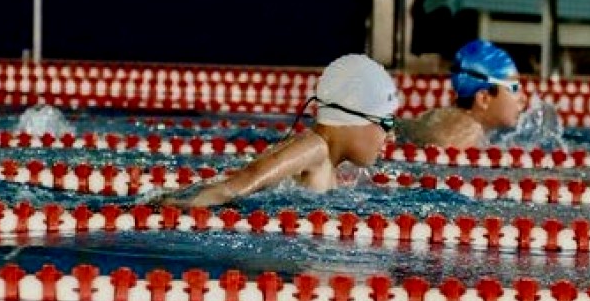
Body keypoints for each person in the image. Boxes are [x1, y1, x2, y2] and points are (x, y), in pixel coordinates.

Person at [151, 54, 397, 207]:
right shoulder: (313, 149)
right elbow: (233, 187)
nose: (392, 136)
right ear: (352, 118)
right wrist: (165, 209)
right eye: (386, 123)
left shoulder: (329, 162)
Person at [397, 40, 526, 149]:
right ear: (484, 99)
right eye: (514, 88)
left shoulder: (457, 119)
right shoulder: (465, 133)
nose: (523, 98)